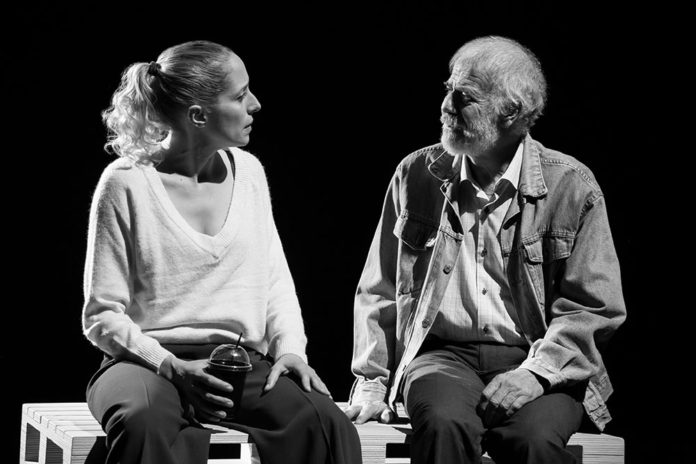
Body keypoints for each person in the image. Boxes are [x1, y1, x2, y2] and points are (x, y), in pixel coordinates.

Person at [344, 35, 626, 464]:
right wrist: (372, 381)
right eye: (448, 90)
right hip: (442, 357)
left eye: (465, 97)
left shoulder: (572, 186)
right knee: (444, 425)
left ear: (511, 111)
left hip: (537, 357)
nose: (446, 106)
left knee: (533, 441)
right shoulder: (416, 174)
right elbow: (378, 288)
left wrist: (535, 374)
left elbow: (593, 307)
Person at [82, 40, 361, 464]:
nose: (255, 104)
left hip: (237, 365)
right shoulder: (126, 183)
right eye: (240, 95)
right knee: (142, 420)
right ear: (199, 115)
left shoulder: (248, 173)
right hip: (143, 363)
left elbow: (273, 280)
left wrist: (290, 350)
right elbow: (101, 316)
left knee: (323, 422)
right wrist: (170, 366)